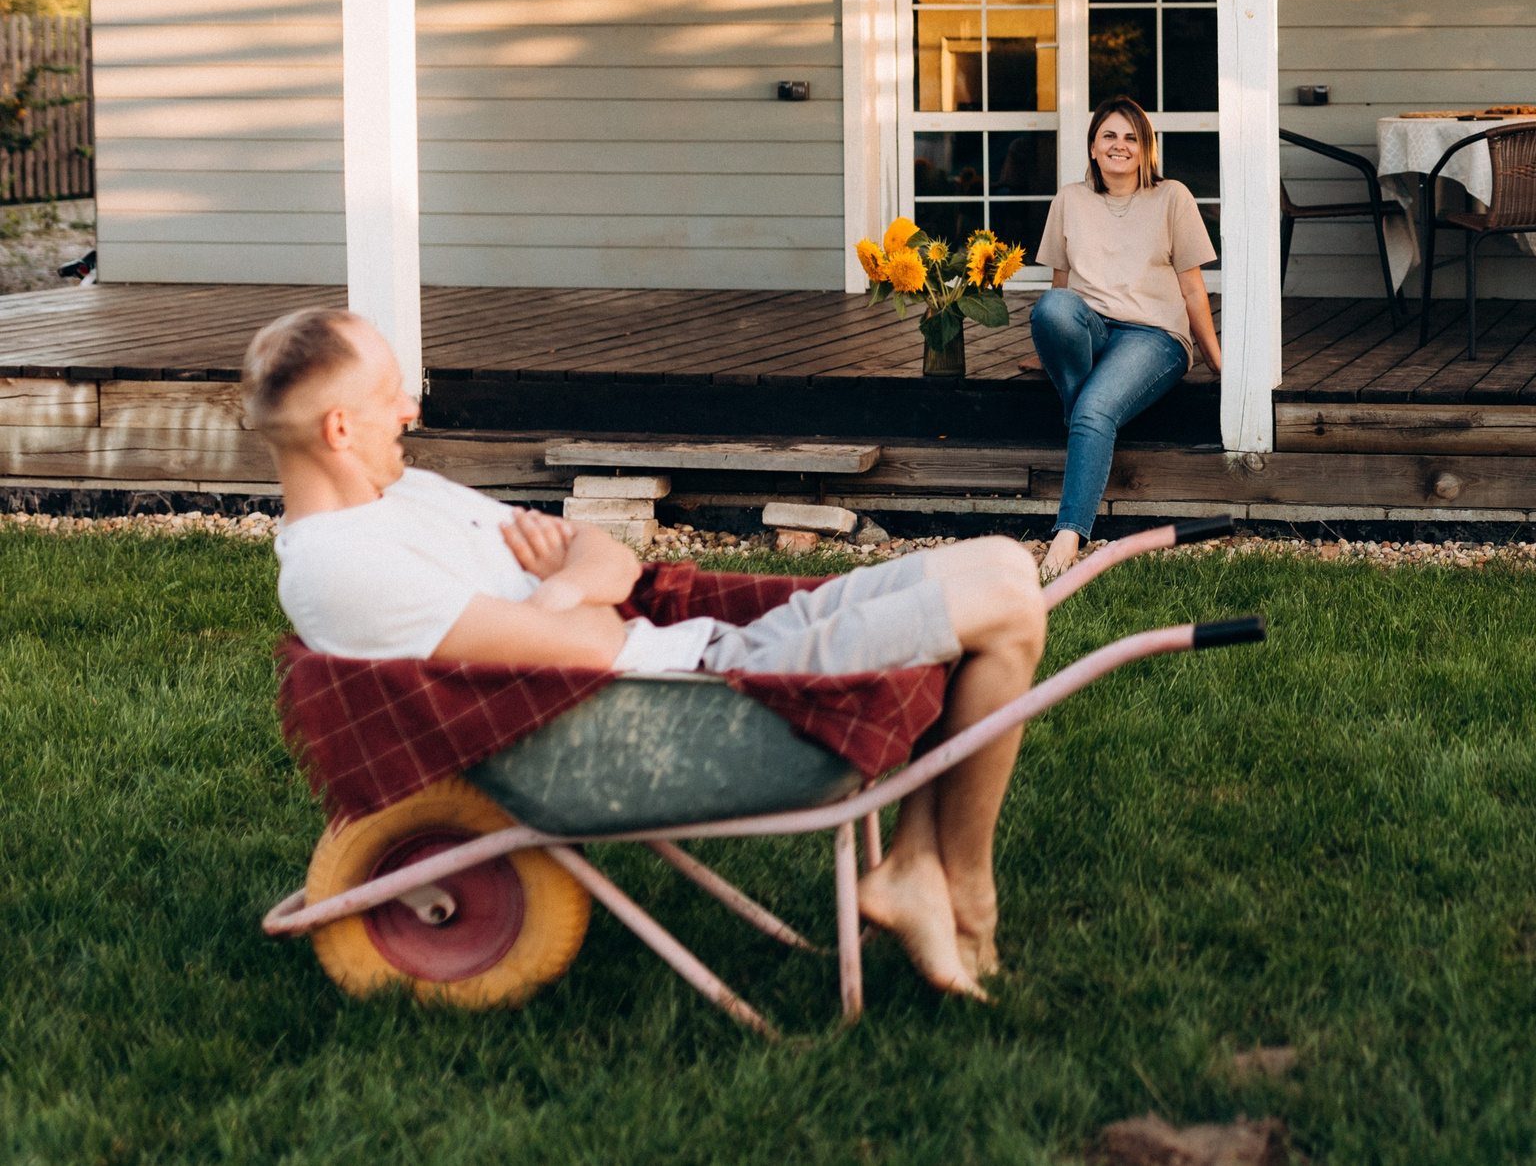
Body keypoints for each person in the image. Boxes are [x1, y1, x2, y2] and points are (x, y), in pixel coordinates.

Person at [243, 305, 1042, 999]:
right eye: (390, 394)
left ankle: (916, 863)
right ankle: (969, 890)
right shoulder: (345, 568)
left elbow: (608, 559)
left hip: (707, 658)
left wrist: (564, 589)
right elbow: (588, 648)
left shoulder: (406, 494)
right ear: (339, 428)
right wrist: (571, 597)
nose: (411, 408)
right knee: (1008, 609)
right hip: (715, 697)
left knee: (1006, 562)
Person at [1030, 97, 1221, 577]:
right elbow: (1060, 289)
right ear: (1093, 147)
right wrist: (1052, 350)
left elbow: (1192, 289)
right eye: (1109, 136)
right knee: (1050, 307)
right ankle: (1088, 412)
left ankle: (1067, 536)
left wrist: (1215, 359)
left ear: (1146, 148)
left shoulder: (1172, 197)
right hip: (1093, 330)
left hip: (1153, 337)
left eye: (1132, 137)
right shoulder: (1069, 199)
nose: (1120, 145)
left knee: (1094, 409)